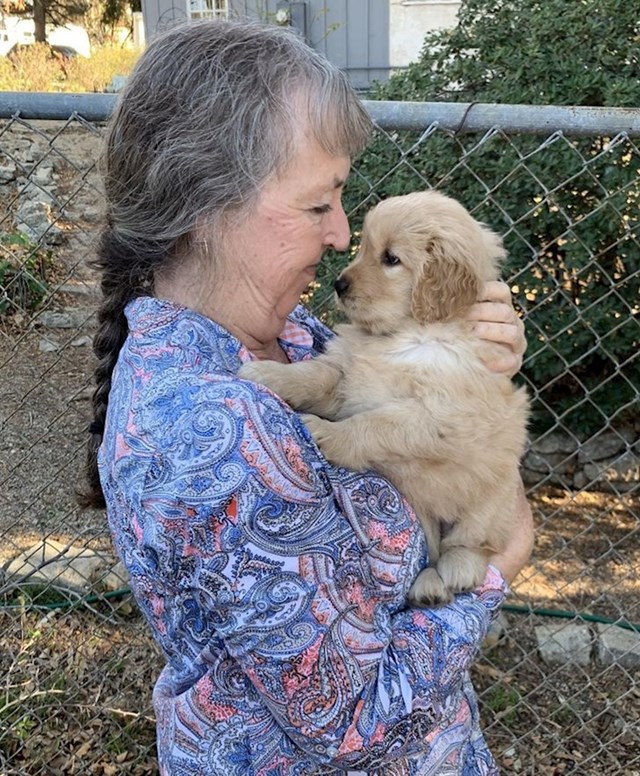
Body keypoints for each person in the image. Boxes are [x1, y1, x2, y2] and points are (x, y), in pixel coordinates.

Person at [80, 18, 534, 776]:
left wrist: (477, 367)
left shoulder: (283, 338)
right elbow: (353, 726)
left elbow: (444, 449)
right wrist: (498, 567)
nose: (339, 235)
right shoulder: (211, 431)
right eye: (318, 204)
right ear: (207, 208)